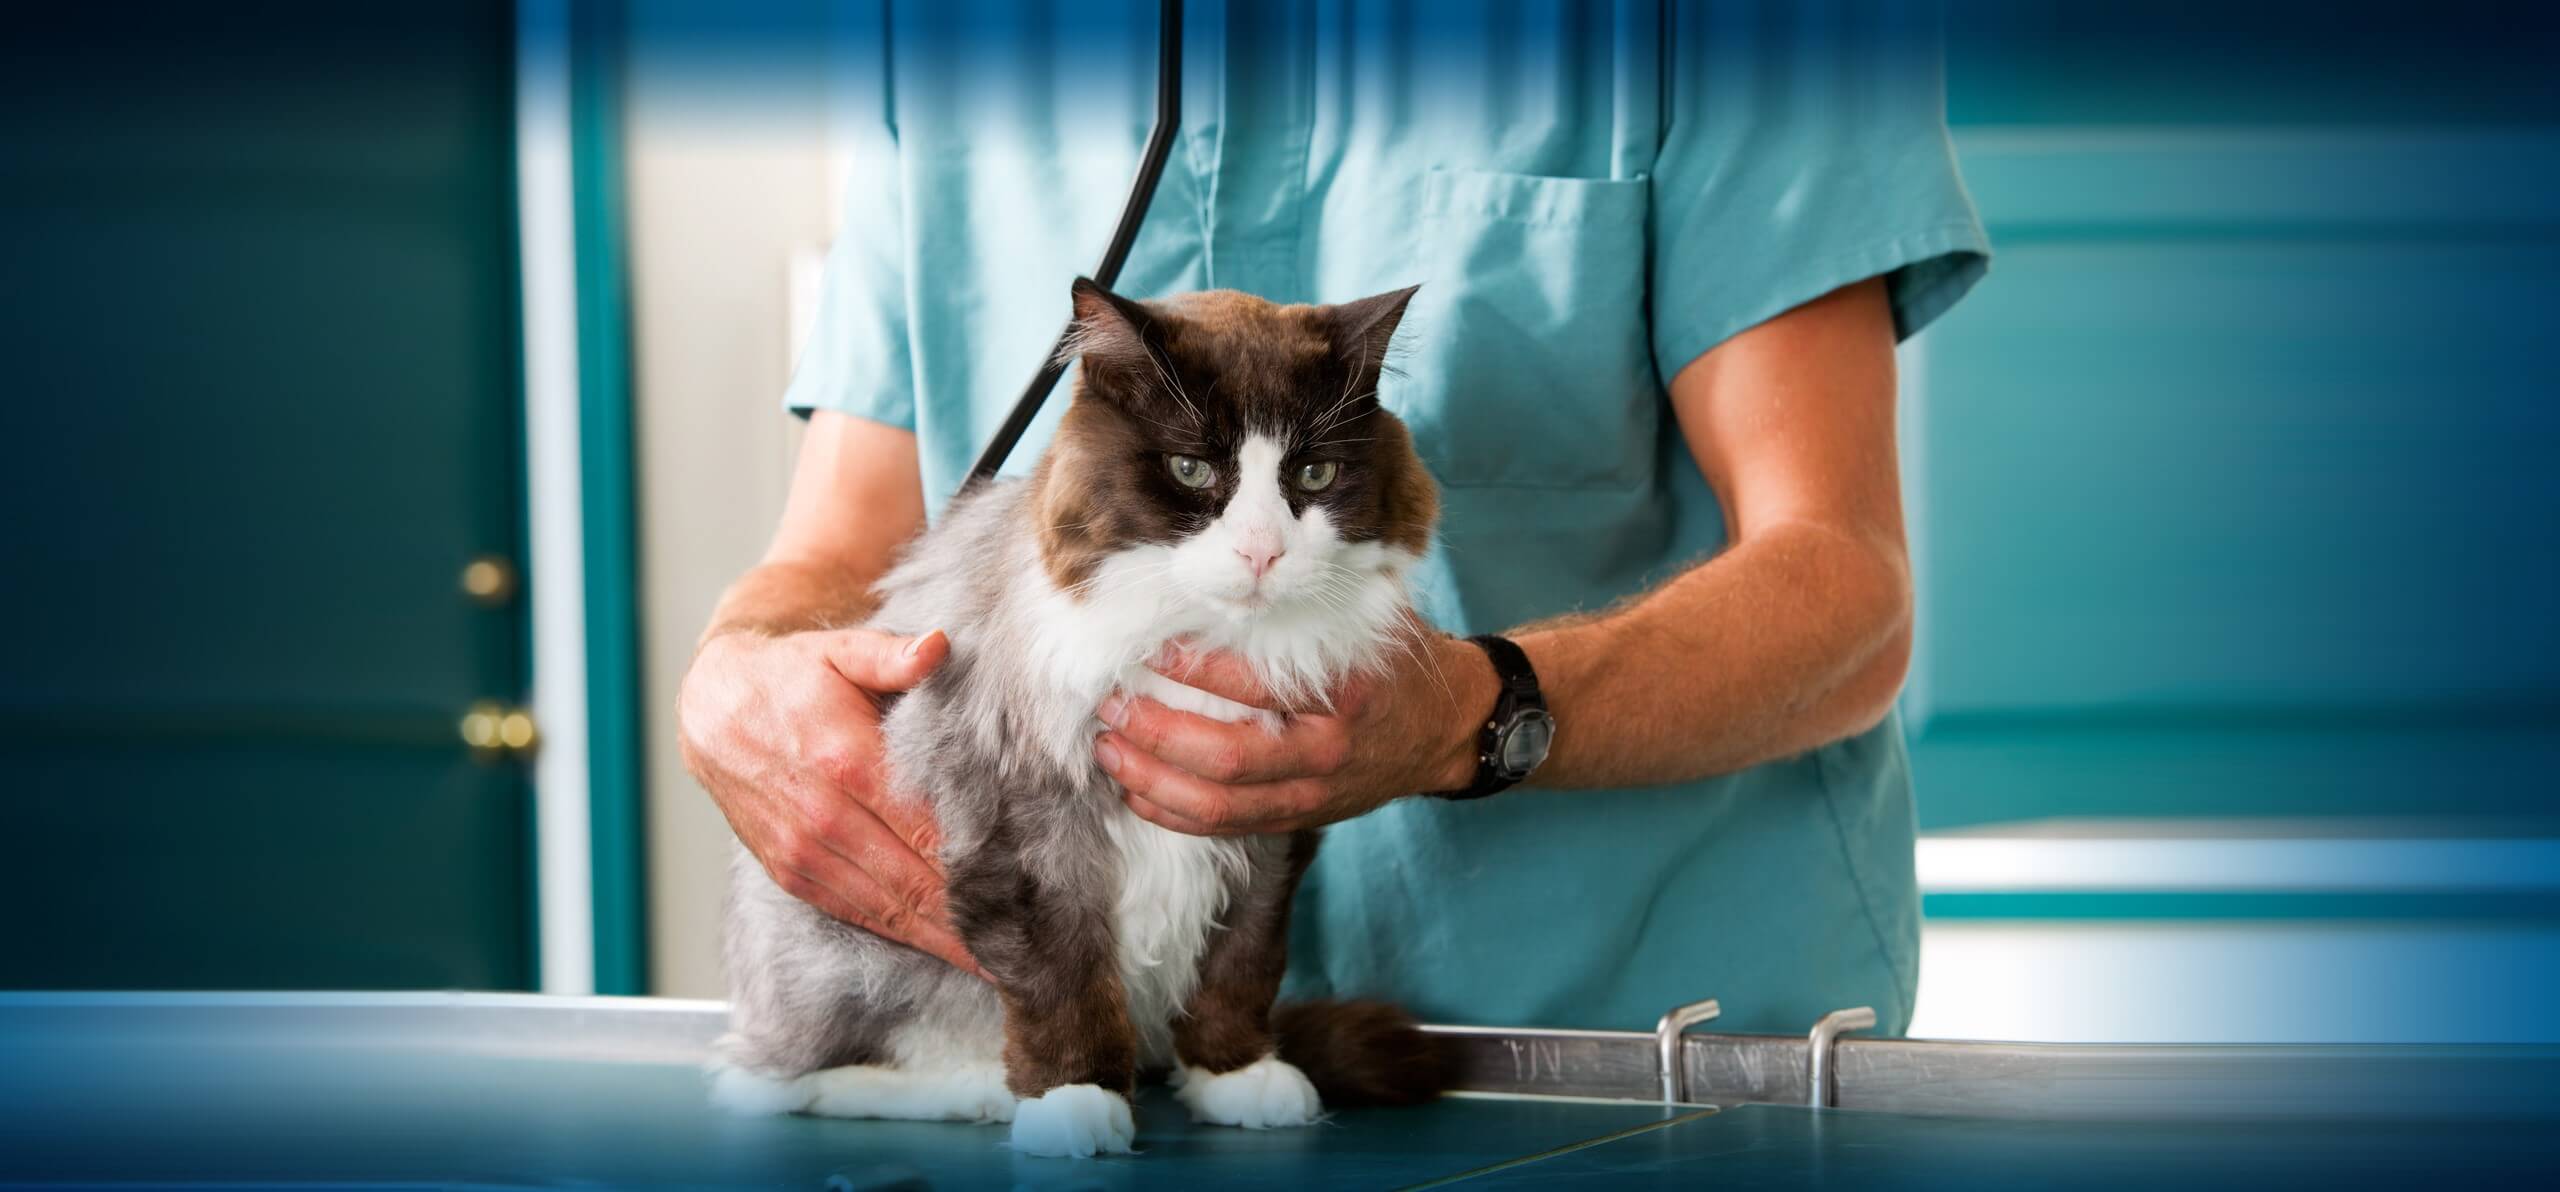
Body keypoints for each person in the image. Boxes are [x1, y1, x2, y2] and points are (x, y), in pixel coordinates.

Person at [679, 1, 1987, 1035]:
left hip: (1639, 1045)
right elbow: (842, 556)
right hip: (1121, 1063)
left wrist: (1473, 713)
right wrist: (735, 677)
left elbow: (1846, 590)